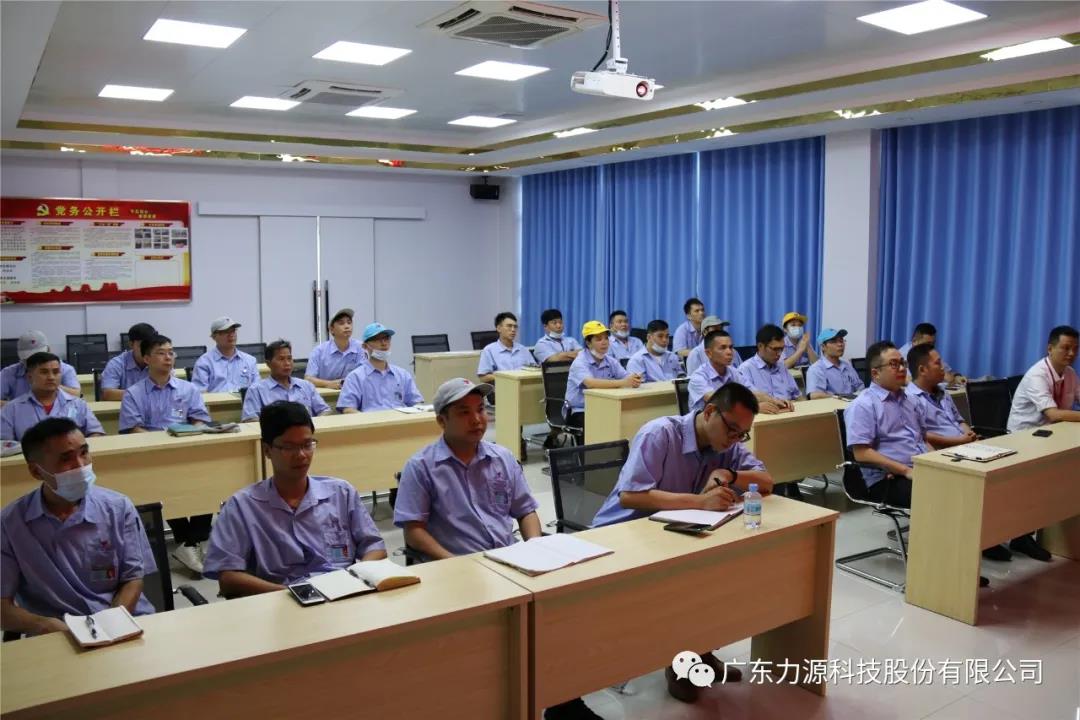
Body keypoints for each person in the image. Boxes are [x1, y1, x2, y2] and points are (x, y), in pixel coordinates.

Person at [395, 379, 599, 720]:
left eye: (481, 410)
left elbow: (525, 510)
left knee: (559, 621)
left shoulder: (501, 457)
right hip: (456, 572)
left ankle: (564, 702)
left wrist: (535, 546)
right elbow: (414, 531)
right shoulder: (422, 467)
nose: (477, 419)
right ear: (442, 421)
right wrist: (453, 564)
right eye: (464, 412)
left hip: (509, 562)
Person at [592, 383, 773, 704]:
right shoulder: (660, 434)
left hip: (672, 534)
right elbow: (631, 495)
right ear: (709, 412)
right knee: (687, 582)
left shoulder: (726, 446)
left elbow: (766, 481)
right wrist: (699, 502)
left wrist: (729, 473)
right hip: (622, 536)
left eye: (741, 434)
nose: (734, 439)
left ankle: (701, 650)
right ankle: (682, 662)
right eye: (731, 429)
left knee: (722, 571)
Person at [203, 401, 387, 598]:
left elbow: (375, 547)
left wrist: (354, 578)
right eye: (288, 447)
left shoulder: (341, 493)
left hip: (342, 595)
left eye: (307, 445)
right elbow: (228, 577)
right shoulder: (242, 506)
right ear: (267, 450)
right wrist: (294, 594)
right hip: (278, 602)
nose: (301, 455)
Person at [1, 418, 156, 635]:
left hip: (122, 620)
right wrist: (44, 625)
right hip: (57, 633)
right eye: (66, 459)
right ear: (36, 472)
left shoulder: (118, 508)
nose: (81, 465)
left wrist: (110, 626)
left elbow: (133, 579)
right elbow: (3, 608)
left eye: (84, 452)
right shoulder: (10, 524)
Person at [118, 335, 213, 574]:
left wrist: (192, 433)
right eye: (161, 353)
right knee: (163, 486)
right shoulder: (134, 393)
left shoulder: (188, 389)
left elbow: (200, 419)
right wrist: (161, 442)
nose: (168, 357)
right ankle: (190, 544)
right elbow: (132, 428)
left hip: (186, 450)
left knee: (209, 480)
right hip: (152, 456)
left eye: (171, 352)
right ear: (147, 358)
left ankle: (190, 543)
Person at [1003, 325, 1080, 562]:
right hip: (1022, 439)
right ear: (1050, 348)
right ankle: (1021, 536)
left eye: (1075, 349)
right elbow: (1053, 414)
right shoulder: (1038, 374)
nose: (1071, 354)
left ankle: (1048, 534)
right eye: (1065, 348)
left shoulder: (1070, 374)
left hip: (1051, 437)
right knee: (1036, 485)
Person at [844, 341, 929, 508]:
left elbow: (923, 440)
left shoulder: (911, 400)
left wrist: (938, 463)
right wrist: (905, 470)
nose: (902, 369)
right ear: (875, 373)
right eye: (894, 364)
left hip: (920, 468)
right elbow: (861, 453)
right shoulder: (864, 405)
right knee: (939, 494)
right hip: (888, 478)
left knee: (962, 483)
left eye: (902, 363)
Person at [2, 352, 105, 441]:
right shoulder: (12, 409)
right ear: (29, 377)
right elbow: (5, 445)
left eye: (56, 372)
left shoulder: (78, 404)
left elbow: (97, 433)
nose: (51, 377)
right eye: (44, 372)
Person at [564, 321, 642, 429]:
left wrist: (634, 379)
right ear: (588, 343)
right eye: (599, 339)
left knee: (629, 420)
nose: (604, 342)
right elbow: (591, 383)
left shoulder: (610, 361)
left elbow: (626, 376)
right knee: (605, 425)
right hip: (580, 410)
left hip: (605, 407)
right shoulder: (580, 362)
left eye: (606, 338)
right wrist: (624, 382)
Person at [338, 322, 423, 413]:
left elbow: (417, 403)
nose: (384, 343)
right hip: (371, 421)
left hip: (401, 420)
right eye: (377, 339)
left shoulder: (403, 374)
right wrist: (368, 420)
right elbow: (348, 409)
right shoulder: (355, 377)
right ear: (365, 346)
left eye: (386, 338)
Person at [905, 344, 976, 449]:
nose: (943, 368)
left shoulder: (942, 391)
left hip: (964, 444)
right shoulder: (910, 398)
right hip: (945, 450)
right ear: (922, 370)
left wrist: (970, 436)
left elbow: (959, 421)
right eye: (938, 363)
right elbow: (922, 435)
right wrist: (960, 440)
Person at [241, 340, 331, 421]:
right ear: (268, 364)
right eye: (281, 359)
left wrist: (311, 424)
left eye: (289, 358)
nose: (287, 363)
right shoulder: (256, 390)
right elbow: (250, 419)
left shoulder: (306, 386)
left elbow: (325, 410)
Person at [1, 331, 80, 401]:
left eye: (40, 358)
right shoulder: (8, 373)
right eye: (28, 359)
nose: (35, 363)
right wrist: (17, 407)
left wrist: (52, 384)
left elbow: (76, 395)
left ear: (49, 350)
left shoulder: (65, 369)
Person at [734, 325, 800, 406]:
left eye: (782, 349)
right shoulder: (745, 369)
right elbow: (744, 403)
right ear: (760, 346)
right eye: (775, 349)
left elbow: (798, 396)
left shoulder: (781, 366)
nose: (779, 354)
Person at [191, 316, 258, 392]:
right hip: (216, 400)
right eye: (226, 332)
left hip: (244, 400)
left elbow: (257, 390)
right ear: (214, 336)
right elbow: (200, 393)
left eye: (233, 331)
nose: (231, 335)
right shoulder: (204, 363)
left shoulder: (250, 360)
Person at [305, 308, 368, 390]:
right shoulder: (319, 351)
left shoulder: (360, 347)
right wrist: (329, 384)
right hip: (326, 395)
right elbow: (308, 379)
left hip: (354, 393)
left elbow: (365, 375)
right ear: (332, 330)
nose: (347, 326)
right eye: (341, 323)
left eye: (349, 322)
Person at [99, 322, 158, 401]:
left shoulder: (159, 361)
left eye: (150, 346)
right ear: (131, 344)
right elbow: (108, 394)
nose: (147, 350)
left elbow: (169, 390)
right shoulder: (116, 364)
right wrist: (143, 393)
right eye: (142, 346)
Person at [805, 329, 864, 399]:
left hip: (853, 403)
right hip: (833, 405)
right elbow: (815, 395)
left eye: (841, 341)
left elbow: (860, 387)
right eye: (834, 342)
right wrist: (842, 398)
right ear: (823, 347)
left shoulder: (847, 365)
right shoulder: (817, 369)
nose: (840, 344)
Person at [899, 323, 965, 385]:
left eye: (933, 344)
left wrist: (957, 376)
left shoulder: (931, 353)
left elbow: (948, 373)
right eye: (927, 344)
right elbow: (903, 379)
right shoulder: (900, 356)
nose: (930, 347)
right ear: (914, 341)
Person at [687, 330, 737, 413]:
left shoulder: (733, 372)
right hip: (707, 420)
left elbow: (753, 393)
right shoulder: (698, 377)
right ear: (709, 353)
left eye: (731, 347)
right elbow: (719, 401)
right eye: (723, 348)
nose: (729, 352)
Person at [477, 312, 532, 384]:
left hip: (524, 387)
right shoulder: (489, 350)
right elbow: (483, 377)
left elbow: (534, 370)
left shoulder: (523, 349)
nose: (513, 330)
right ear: (499, 328)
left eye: (515, 327)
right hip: (503, 387)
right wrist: (507, 377)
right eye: (509, 326)